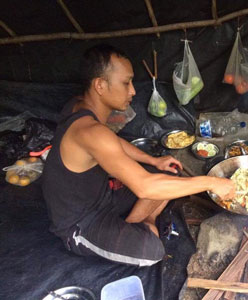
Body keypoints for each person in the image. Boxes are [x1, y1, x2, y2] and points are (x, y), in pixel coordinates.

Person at [42, 44, 235, 267]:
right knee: (152, 249)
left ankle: (142, 221)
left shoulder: (79, 106)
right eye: (126, 83)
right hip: (81, 222)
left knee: (168, 172)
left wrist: (153, 161)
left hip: (104, 196)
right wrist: (212, 183)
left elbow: (113, 143)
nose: (133, 91)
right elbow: (145, 187)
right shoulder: (88, 131)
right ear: (100, 85)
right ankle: (140, 227)